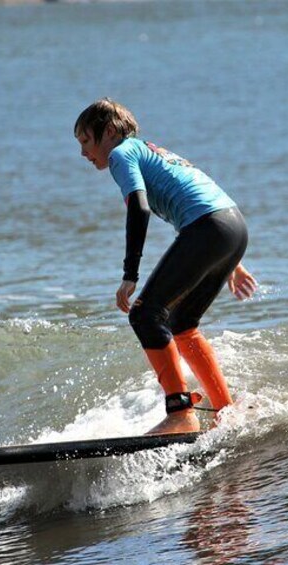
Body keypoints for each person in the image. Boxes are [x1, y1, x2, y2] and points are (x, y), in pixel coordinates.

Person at [74, 98, 257, 435]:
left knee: (144, 314)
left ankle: (180, 412)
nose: (84, 152)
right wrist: (232, 261)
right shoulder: (153, 151)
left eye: (86, 141)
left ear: (109, 131)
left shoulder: (121, 153)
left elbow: (138, 208)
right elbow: (204, 194)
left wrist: (130, 275)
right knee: (183, 325)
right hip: (232, 227)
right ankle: (225, 409)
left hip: (209, 228)